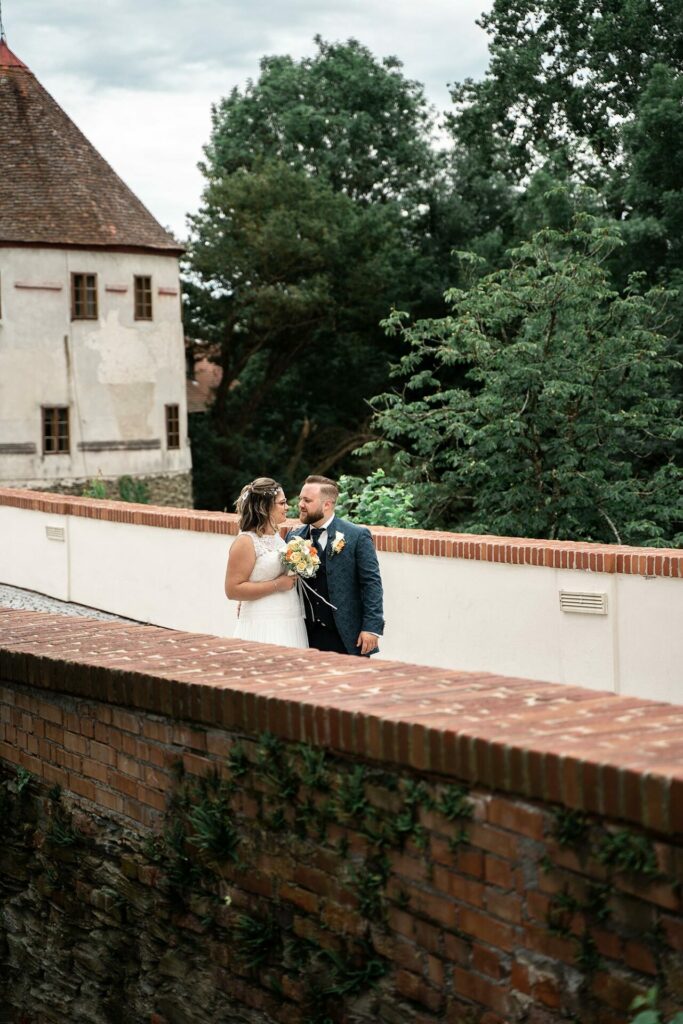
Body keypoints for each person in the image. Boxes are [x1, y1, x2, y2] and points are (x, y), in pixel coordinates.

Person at [288, 475, 384, 655]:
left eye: (307, 500)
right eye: (301, 498)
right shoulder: (294, 538)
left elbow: (372, 584)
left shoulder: (356, 536)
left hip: (347, 636)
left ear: (327, 505)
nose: (300, 504)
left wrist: (371, 628)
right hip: (304, 635)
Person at [225, 477, 308, 648]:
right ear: (265, 507)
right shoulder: (246, 541)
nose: (287, 507)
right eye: (282, 503)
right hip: (263, 619)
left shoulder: (277, 538)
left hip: (289, 616)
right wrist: (278, 584)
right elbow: (232, 590)